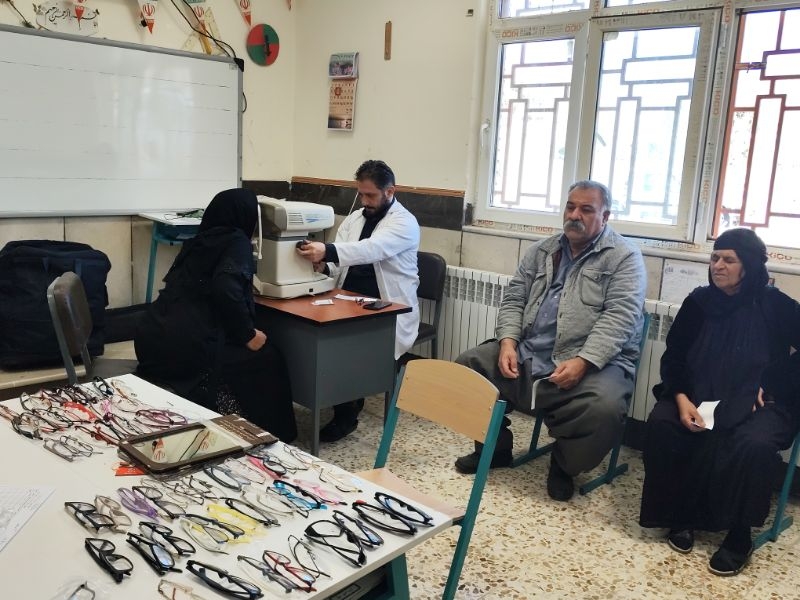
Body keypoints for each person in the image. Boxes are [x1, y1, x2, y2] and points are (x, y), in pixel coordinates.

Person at [453, 180, 647, 502]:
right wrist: (508, 341)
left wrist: (584, 361)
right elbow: (514, 298)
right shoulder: (542, 250)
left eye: (586, 209)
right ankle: (495, 448)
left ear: (605, 216)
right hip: (531, 350)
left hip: (593, 361)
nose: (575, 215)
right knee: (467, 367)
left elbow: (621, 317)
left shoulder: (624, 257)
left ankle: (564, 464)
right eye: (570, 207)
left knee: (604, 408)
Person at [639, 228, 800, 576]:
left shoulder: (775, 304)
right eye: (714, 258)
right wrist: (681, 398)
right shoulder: (698, 303)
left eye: (729, 260)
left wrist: (771, 383)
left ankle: (739, 533)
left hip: (759, 402)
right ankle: (680, 515)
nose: (718, 266)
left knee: (752, 443)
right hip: (698, 393)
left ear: (750, 266)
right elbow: (674, 357)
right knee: (665, 424)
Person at [135, 188, 297, 442]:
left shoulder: (198, 241)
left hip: (153, 340)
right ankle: (266, 433)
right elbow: (226, 289)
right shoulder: (236, 242)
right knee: (268, 357)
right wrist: (247, 334)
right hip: (188, 350)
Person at [297, 159, 420, 442]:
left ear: (390, 191)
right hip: (347, 297)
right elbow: (340, 259)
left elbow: (371, 249)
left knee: (344, 347)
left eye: (370, 195)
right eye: (361, 194)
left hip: (386, 306)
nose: (364, 201)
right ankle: (345, 398)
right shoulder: (355, 218)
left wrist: (327, 251)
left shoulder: (404, 222)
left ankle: (346, 413)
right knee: (321, 337)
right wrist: (324, 265)